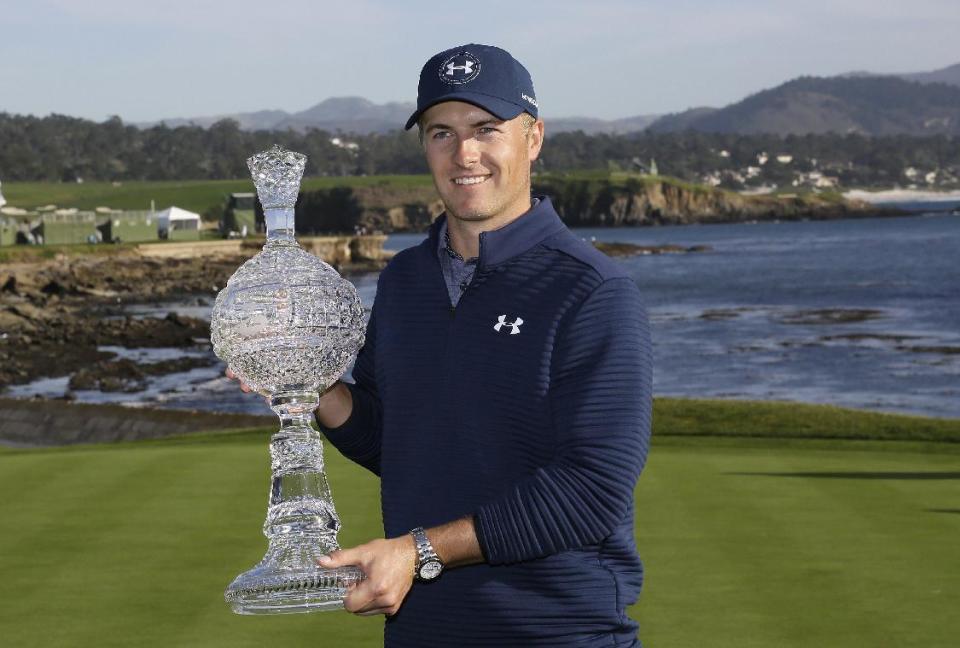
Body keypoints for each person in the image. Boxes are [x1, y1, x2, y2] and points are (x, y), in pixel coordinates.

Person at [235, 43, 652, 647]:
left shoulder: (592, 289)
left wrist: (418, 551)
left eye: (487, 129)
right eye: (442, 133)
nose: (465, 154)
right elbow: (397, 441)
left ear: (533, 138)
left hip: (558, 635)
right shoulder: (405, 281)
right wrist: (311, 383)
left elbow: (591, 490)